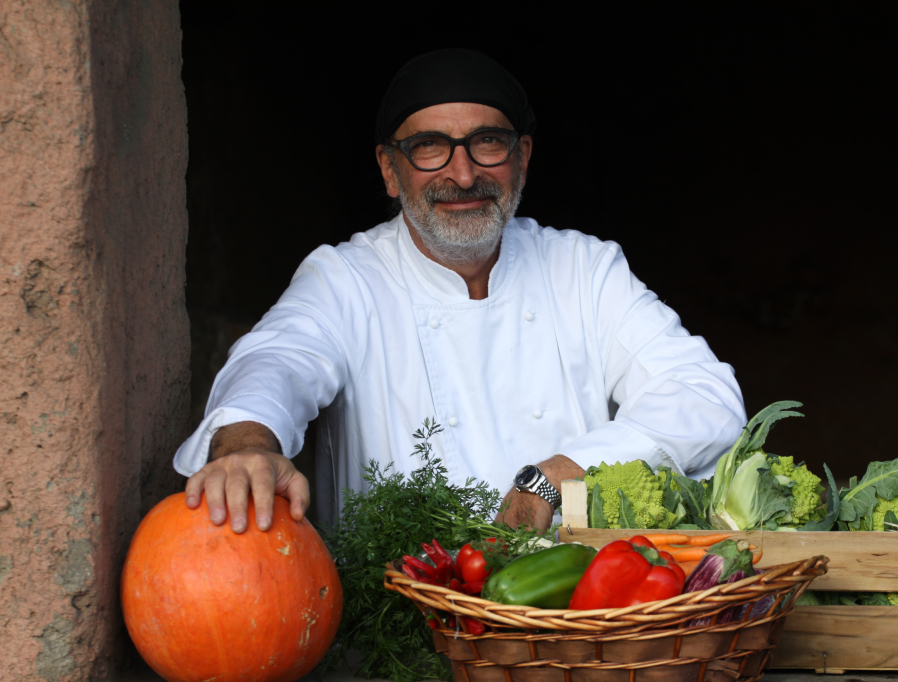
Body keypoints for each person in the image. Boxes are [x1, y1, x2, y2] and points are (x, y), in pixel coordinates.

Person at [174, 49, 746, 535]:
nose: (465, 174)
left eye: (487, 143)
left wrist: (561, 473)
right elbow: (278, 358)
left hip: (575, 625)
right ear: (390, 170)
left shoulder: (584, 269)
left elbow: (704, 396)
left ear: (521, 158)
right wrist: (246, 445)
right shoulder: (347, 279)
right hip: (396, 638)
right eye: (429, 148)